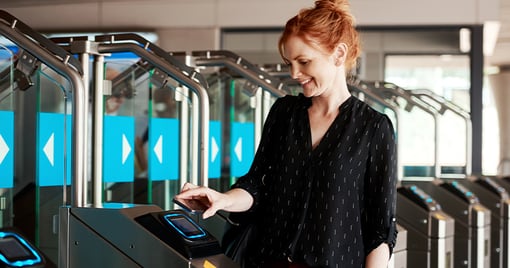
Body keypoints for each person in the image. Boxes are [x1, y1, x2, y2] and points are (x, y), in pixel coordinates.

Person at [175, 0, 398, 266]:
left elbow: (380, 229)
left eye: (304, 61)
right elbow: (256, 185)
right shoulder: (285, 113)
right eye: (289, 62)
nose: (294, 73)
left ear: (338, 54)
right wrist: (222, 199)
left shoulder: (373, 128)